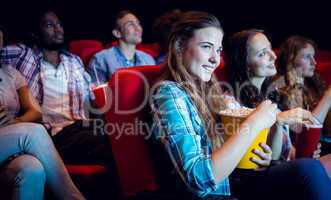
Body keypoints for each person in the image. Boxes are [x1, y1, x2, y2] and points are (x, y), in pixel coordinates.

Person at [150, 11, 331, 200]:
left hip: (236, 183)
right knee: (308, 170)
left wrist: (263, 157)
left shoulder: (210, 93)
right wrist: (253, 124)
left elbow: (228, 150)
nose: (214, 59)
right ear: (179, 46)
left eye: (218, 50)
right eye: (206, 47)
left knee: (311, 169)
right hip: (218, 193)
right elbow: (200, 180)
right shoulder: (169, 92)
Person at [0, 10, 112, 166]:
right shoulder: (23, 55)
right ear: (35, 33)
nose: (58, 29)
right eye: (49, 25)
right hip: (48, 137)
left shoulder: (74, 61)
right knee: (106, 138)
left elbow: (93, 100)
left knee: (114, 132)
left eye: (59, 24)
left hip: (79, 129)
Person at [0, 58, 85, 199]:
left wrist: (16, 121)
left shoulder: (9, 72)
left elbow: (36, 113)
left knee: (32, 168)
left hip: (8, 139)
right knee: (35, 132)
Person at [276, 36, 331, 154]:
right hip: (297, 153)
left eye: (313, 57)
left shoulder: (315, 86)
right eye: (307, 57)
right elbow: (308, 130)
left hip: (321, 147)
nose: (314, 62)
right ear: (290, 59)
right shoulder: (277, 90)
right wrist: (328, 97)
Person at [88, 10, 155, 84]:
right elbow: (97, 92)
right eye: (130, 25)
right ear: (117, 33)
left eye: (138, 23)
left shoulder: (148, 59)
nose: (138, 29)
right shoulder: (101, 59)